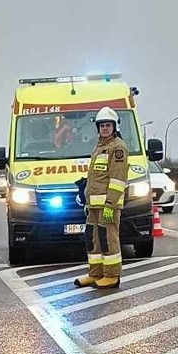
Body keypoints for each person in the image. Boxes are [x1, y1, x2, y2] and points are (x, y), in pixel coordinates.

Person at [74, 107, 129, 289]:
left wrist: (110, 204)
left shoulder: (117, 148)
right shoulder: (99, 147)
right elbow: (98, 176)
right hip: (94, 206)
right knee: (93, 239)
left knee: (108, 239)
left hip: (107, 206)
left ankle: (112, 276)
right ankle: (95, 273)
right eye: (102, 125)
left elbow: (117, 180)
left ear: (114, 127)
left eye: (108, 125)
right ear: (98, 127)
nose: (105, 128)